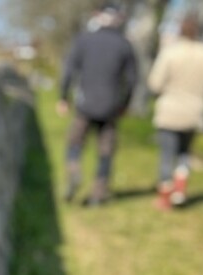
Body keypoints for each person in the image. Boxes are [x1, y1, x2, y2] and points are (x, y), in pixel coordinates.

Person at [57, 3, 138, 206]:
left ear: (97, 16)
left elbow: (68, 70)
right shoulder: (124, 44)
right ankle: (98, 193)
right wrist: (125, 104)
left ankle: (74, 168)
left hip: (85, 104)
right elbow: (131, 80)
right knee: (106, 150)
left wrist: (63, 97)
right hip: (111, 106)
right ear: (118, 19)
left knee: (75, 142)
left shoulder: (85, 40)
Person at [147, 15, 203, 210]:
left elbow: (155, 82)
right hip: (195, 112)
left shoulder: (171, 53)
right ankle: (180, 190)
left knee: (167, 154)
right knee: (184, 153)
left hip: (170, 111)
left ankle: (165, 196)